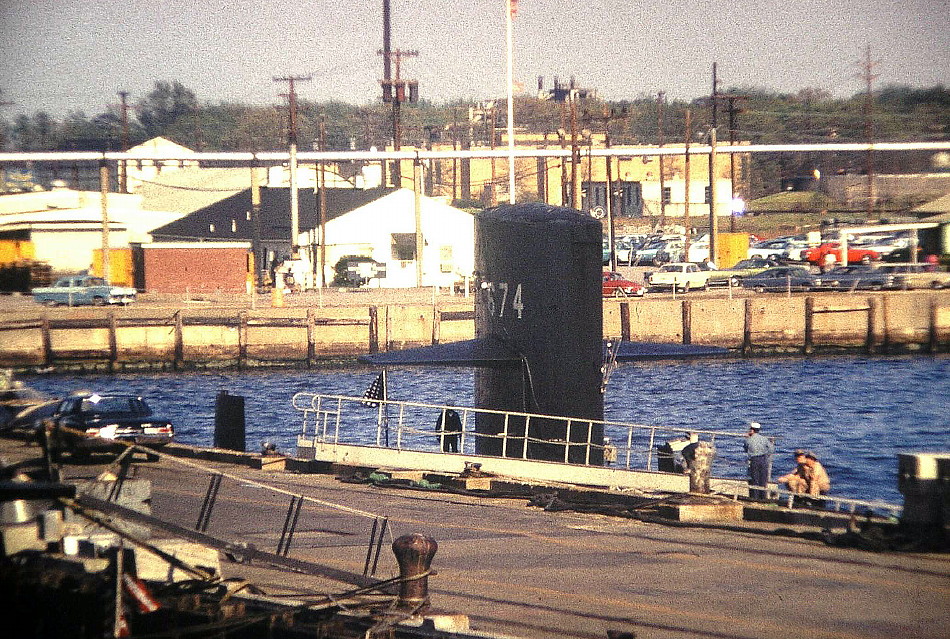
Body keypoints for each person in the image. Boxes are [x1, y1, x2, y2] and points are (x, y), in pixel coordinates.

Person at [743, 422, 774, 500]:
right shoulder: (764, 439)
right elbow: (771, 449)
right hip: (763, 459)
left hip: (754, 460)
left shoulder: (748, 440)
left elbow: (746, 449)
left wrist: (748, 438)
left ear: (752, 430)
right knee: (763, 479)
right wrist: (766, 455)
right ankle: (763, 498)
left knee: (755, 479)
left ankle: (755, 498)